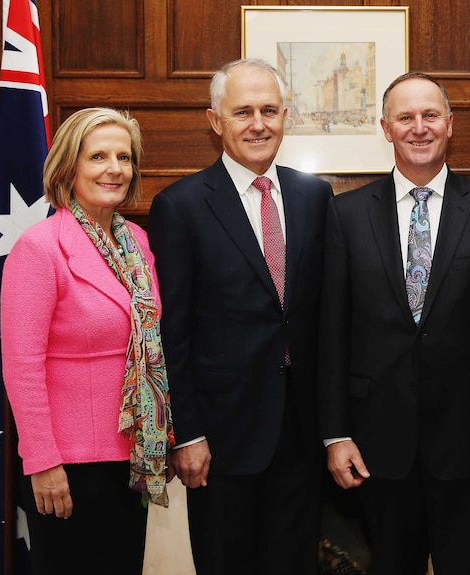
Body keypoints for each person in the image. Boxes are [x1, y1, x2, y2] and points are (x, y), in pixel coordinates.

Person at [317, 71, 470, 575]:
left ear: (450, 124)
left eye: (430, 115)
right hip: (375, 444)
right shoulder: (345, 213)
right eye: (405, 117)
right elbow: (331, 334)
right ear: (386, 128)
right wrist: (334, 434)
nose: (419, 127)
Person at [148, 58, 333, 575]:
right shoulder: (180, 205)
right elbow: (172, 332)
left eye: (269, 110)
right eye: (243, 111)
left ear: (286, 116)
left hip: (301, 430)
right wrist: (186, 433)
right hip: (221, 439)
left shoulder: (314, 196)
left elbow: (322, 314)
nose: (258, 123)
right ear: (215, 121)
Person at [0, 107, 174, 575]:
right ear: (67, 168)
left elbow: (151, 342)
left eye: (124, 156)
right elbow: (21, 365)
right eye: (97, 156)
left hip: (133, 457)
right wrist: (41, 460)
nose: (114, 168)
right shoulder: (39, 248)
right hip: (68, 464)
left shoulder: (136, 241)